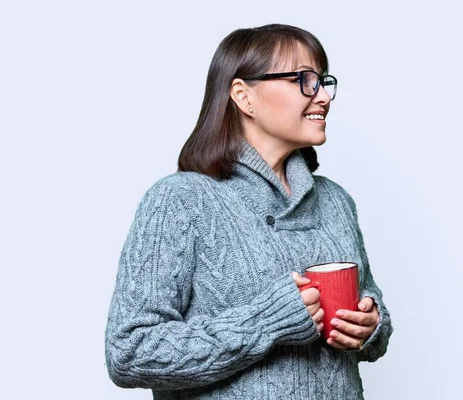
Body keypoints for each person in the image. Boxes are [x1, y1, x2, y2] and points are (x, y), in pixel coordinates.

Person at [105, 23, 393, 400]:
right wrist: (268, 321)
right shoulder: (181, 200)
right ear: (243, 96)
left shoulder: (336, 201)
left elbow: (372, 314)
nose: (323, 96)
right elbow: (129, 351)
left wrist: (371, 326)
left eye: (323, 81)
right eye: (304, 80)